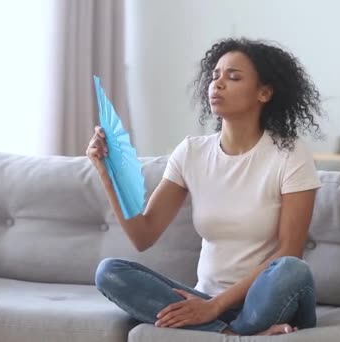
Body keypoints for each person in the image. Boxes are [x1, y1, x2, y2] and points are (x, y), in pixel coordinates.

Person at [86, 37, 324, 336]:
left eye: (233, 77)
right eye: (215, 76)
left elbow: (290, 250)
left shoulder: (290, 153)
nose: (218, 84)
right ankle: (233, 332)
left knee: (292, 269)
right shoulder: (191, 152)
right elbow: (142, 235)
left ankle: (223, 328)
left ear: (265, 92)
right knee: (109, 271)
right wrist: (107, 173)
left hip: (267, 298)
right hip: (203, 298)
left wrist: (215, 306)